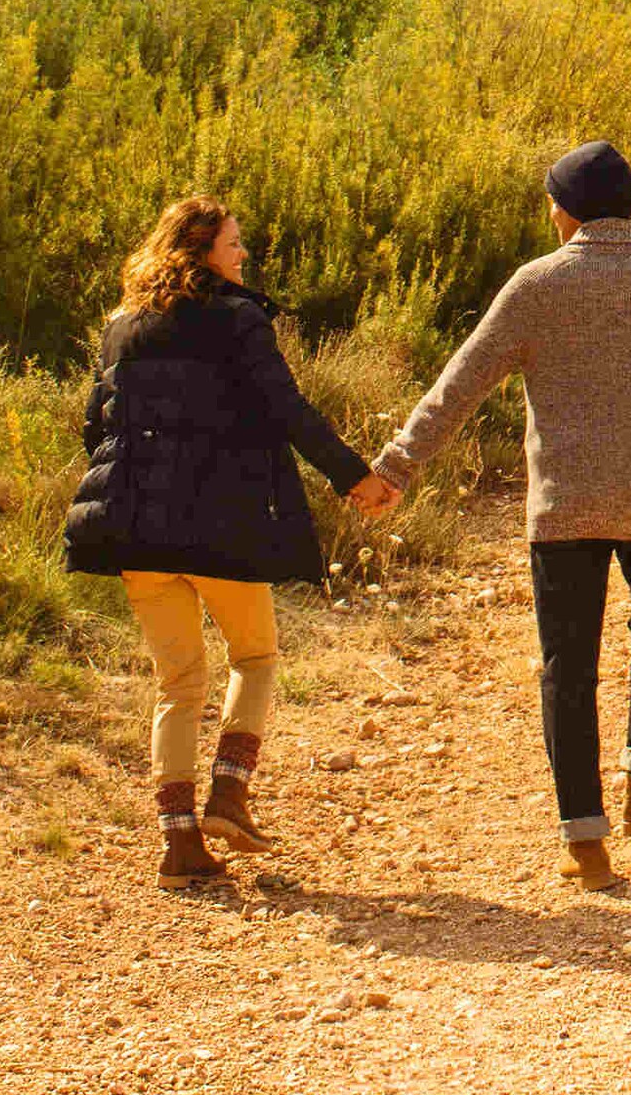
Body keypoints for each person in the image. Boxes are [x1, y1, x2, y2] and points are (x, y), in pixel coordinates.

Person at [362, 140, 631, 893]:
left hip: (564, 506)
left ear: (564, 209)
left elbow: (459, 382)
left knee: (568, 666)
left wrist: (397, 464)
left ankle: (585, 843)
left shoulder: (538, 284)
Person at [66, 193, 400, 880]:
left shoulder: (122, 326)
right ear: (202, 251)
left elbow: (95, 431)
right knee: (254, 656)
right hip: (220, 521)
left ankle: (180, 843)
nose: (244, 254)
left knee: (177, 682)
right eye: (234, 244)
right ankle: (228, 789)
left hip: (136, 527)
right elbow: (288, 411)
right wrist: (355, 478)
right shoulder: (238, 320)